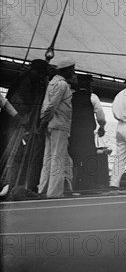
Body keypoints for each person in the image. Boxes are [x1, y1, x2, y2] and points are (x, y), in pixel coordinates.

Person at [0, 59, 49, 192]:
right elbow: (16, 102)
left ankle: (12, 184)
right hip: (12, 126)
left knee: (16, 155)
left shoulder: (32, 81)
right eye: (40, 73)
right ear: (35, 71)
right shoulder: (25, 82)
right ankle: (8, 184)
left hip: (17, 125)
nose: (41, 76)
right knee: (12, 154)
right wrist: (23, 120)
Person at [37, 58, 76, 198]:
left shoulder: (52, 83)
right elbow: (52, 106)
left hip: (51, 125)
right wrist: (44, 121)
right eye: (72, 69)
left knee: (48, 158)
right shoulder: (62, 85)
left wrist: (44, 122)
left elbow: (46, 106)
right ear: (65, 70)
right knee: (57, 159)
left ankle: (43, 189)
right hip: (59, 126)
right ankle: (54, 193)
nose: (74, 71)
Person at [69, 74, 101, 191]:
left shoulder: (71, 97)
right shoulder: (92, 97)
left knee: (74, 158)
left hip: (74, 133)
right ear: (89, 84)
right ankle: (88, 186)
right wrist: (102, 126)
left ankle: (73, 185)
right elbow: (100, 116)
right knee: (89, 158)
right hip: (87, 133)